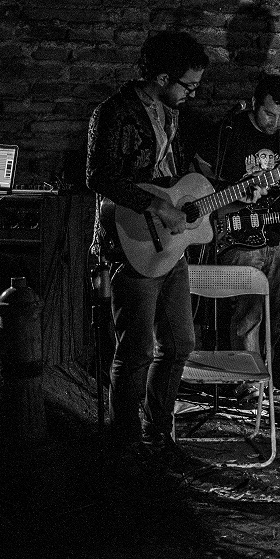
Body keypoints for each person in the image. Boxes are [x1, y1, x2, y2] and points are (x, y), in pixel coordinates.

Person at [86, 31, 210, 463]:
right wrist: (157, 206)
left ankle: (158, 436)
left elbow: (177, 180)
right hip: (132, 243)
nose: (192, 93)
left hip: (170, 246)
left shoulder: (173, 114)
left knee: (178, 344)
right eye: (188, 85)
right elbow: (97, 176)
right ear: (161, 77)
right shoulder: (114, 112)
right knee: (137, 350)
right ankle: (125, 447)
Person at [205, 74, 280, 403]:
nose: (276, 122)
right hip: (236, 234)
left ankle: (266, 383)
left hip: (278, 236)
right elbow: (203, 183)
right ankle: (248, 385)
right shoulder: (229, 132)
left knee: (274, 314)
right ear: (254, 104)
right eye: (269, 114)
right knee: (249, 312)